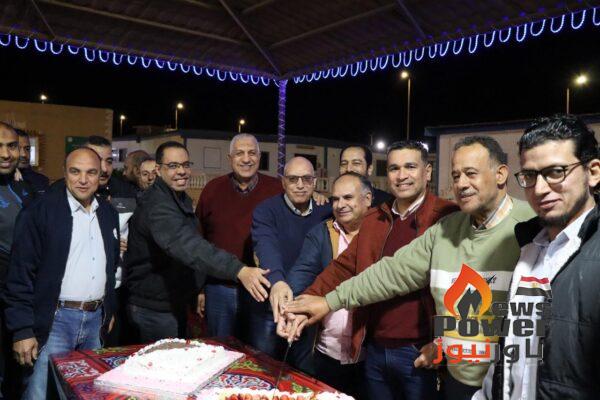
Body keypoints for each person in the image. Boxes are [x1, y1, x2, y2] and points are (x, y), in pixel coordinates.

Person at [285, 136, 536, 400]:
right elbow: (391, 272)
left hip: (508, 382)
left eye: (471, 173)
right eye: (456, 175)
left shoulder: (532, 227)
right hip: (452, 378)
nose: (462, 183)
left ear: (501, 174)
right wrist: (325, 301)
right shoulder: (444, 229)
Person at [280, 141, 458, 400]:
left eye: (410, 167)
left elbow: (457, 285)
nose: (402, 175)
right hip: (375, 350)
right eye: (394, 168)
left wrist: (442, 343)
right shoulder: (377, 219)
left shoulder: (446, 217)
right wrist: (303, 306)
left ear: (427, 171)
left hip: (420, 350)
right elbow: (342, 268)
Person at [475, 115, 600, 399]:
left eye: (556, 172)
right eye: (530, 176)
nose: (540, 189)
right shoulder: (529, 249)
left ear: (593, 172)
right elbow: (512, 352)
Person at [124, 141, 271, 343]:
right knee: (165, 362)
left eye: (185, 165)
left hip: (172, 302)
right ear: (158, 170)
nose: (181, 171)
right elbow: (189, 246)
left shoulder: (177, 197)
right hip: (155, 309)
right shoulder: (158, 205)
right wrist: (239, 270)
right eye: (173, 166)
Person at [4, 147, 120, 399]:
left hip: (95, 321)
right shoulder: (40, 211)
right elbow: (20, 275)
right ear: (65, 173)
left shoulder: (108, 213)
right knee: (40, 393)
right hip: (54, 320)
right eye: (75, 172)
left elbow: (110, 266)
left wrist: (108, 307)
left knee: (87, 393)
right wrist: (22, 330)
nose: (83, 179)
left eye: (91, 173)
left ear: (100, 174)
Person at [271, 172, 372, 398]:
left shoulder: (383, 234)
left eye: (348, 197)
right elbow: (300, 277)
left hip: (370, 355)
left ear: (367, 199)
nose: (340, 205)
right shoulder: (321, 234)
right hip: (326, 351)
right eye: (335, 199)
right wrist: (291, 311)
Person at [195, 134, 282, 339]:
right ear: (230, 158)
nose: (246, 159)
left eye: (252, 153)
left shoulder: (277, 189)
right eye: (239, 153)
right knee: (220, 349)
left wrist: (317, 197)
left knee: (260, 352)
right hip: (219, 288)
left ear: (259, 157)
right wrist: (199, 289)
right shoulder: (212, 190)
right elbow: (198, 241)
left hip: (261, 289)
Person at [250, 156, 332, 372]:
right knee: (265, 363)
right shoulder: (266, 210)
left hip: (308, 302)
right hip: (273, 301)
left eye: (306, 179)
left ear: (315, 182)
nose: (300, 184)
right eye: (293, 179)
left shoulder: (327, 210)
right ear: (283, 182)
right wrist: (277, 281)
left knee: (303, 367)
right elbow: (266, 245)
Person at [0, 122, 35, 398]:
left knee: (18, 379)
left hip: (20, 304)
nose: (5, 153)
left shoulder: (25, 186)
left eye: (11, 146)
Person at [49, 135, 137, 200]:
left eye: (109, 162)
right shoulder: (56, 193)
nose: (104, 169)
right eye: (97, 161)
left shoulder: (126, 192)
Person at [15, 129, 49, 195]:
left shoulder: (42, 180)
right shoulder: (3, 181)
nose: (24, 154)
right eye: (18, 148)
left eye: (27, 149)